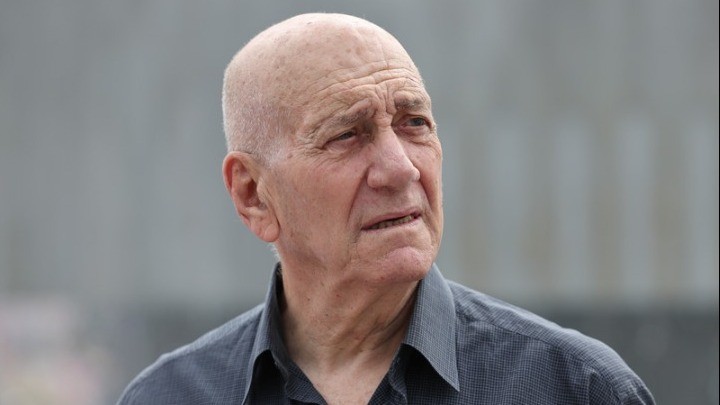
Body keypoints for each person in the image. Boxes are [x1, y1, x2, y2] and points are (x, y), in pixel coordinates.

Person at [117, 12, 654, 404]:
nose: (401, 169)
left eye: (414, 123)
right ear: (252, 195)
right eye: (347, 135)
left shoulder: (577, 387)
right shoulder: (170, 396)